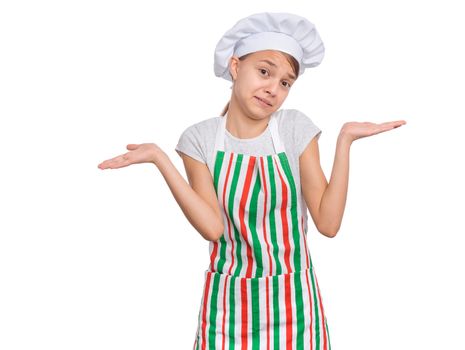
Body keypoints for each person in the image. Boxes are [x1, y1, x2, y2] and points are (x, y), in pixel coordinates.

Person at [98, 11, 406, 350]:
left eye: (285, 82)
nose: (273, 89)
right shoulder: (199, 139)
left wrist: (345, 141)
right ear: (234, 66)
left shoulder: (294, 129)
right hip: (228, 308)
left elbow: (329, 224)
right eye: (264, 71)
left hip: (295, 305)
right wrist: (161, 159)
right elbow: (213, 229)